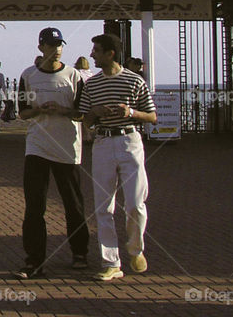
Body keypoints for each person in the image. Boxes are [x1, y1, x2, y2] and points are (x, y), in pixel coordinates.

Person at [79, 33, 157, 282]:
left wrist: (131, 112)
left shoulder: (134, 81)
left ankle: (135, 249)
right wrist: (94, 112)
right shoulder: (91, 84)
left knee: (135, 203)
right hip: (102, 142)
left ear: (110, 53)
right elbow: (84, 119)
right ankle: (111, 262)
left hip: (129, 141)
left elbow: (152, 116)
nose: (92, 54)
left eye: (96, 50)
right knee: (104, 206)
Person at [13, 27, 89, 280]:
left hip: (67, 148)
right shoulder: (28, 75)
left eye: (60, 45)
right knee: (35, 206)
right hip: (37, 147)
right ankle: (34, 260)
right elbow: (22, 113)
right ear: (40, 48)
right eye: (51, 44)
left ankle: (80, 252)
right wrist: (39, 110)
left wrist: (63, 110)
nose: (57, 49)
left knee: (73, 204)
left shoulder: (74, 75)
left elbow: (82, 113)